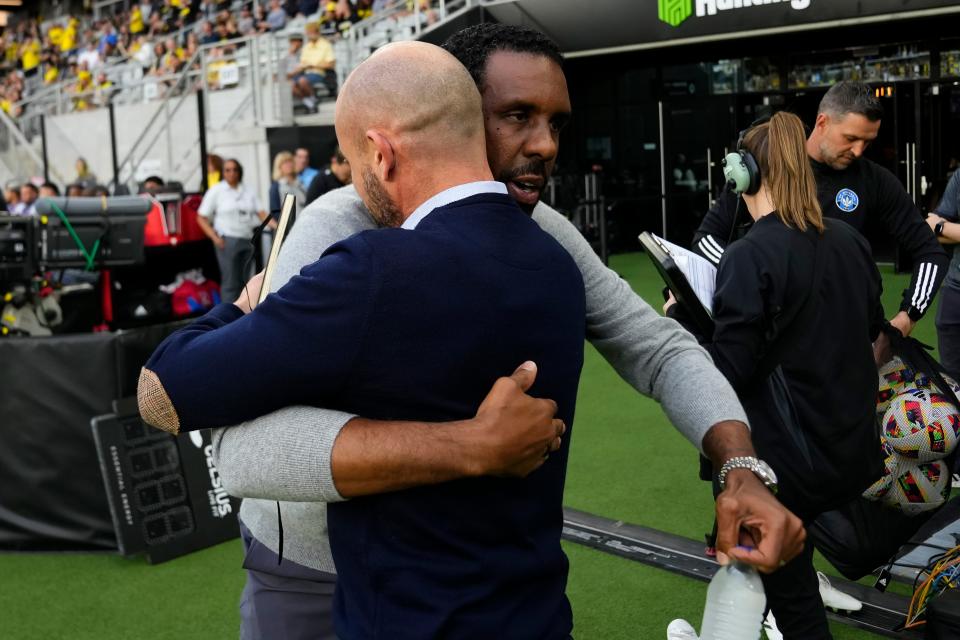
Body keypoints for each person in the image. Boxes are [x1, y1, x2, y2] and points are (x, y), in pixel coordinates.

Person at [206, 24, 802, 640]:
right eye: (515, 115)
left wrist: (741, 466)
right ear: (455, 114)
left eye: (556, 123)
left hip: (459, 583)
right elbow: (248, 450)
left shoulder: (543, 229)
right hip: (308, 569)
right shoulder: (342, 225)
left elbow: (660, 348)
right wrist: (463, 446)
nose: (544, 144)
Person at [141, 40, 591, 637]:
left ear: (379, 154)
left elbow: (160, 392)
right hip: (534, 615)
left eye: (355, 165)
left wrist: (243, 306)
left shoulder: (376, 268)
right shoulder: (560, 265)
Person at [667, 113, 886, 639]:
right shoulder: (850, 242)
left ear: (742, 176)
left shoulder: (748, 255)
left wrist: (680, 320)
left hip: (786, 467)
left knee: (794, 607)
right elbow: (869, 328)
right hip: (847, 451)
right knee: (787, 578)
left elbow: (725, 377)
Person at [693, 81, 947, 359]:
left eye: (867, 142)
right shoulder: (767, 169)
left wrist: (904, 320)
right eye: (850, 138)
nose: (859, 150)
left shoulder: (875, 181)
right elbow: (706, 238)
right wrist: (748, 273)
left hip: (844, 346)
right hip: (776, 345)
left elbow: (930, 252)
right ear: (822, 122)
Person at [194, 158, 270, 301]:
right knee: (230, 282)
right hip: (227, 239)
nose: (232, 173)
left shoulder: (248, 190)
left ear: (239, 171)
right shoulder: (217, 190)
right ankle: (227, 318)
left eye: (235, 169)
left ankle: (242, 316)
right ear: (223, 172)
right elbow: (201, 217)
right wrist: (214, 238)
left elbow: (261, 213)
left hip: (247, 238)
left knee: (245, 281)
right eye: (228, 170)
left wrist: (280, 225)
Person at [926, 170, 960, 379]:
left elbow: (937, 225)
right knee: (952, 380)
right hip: (955, 291)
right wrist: (941, 228)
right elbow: (930, 230)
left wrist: (942, 226)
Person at [290, 22, 336, 112]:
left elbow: (331, 64)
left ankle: (312, 101)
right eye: (308, 33)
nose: (309, 35)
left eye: (311, 32)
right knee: (290, 83)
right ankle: (311, 102)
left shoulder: (326, 45)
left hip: (320, 73)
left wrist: (313, 65)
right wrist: (290, 74)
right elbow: (302, 65)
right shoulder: (306, 47)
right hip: (306, 73)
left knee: (302, 81)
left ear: (317, 32)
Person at [268, 150, 306, 219]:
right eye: (284, 162)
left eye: (290, 161)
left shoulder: (301, 183)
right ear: (279, 167)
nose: (289, 165)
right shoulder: (276, 187)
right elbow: (275, 212)